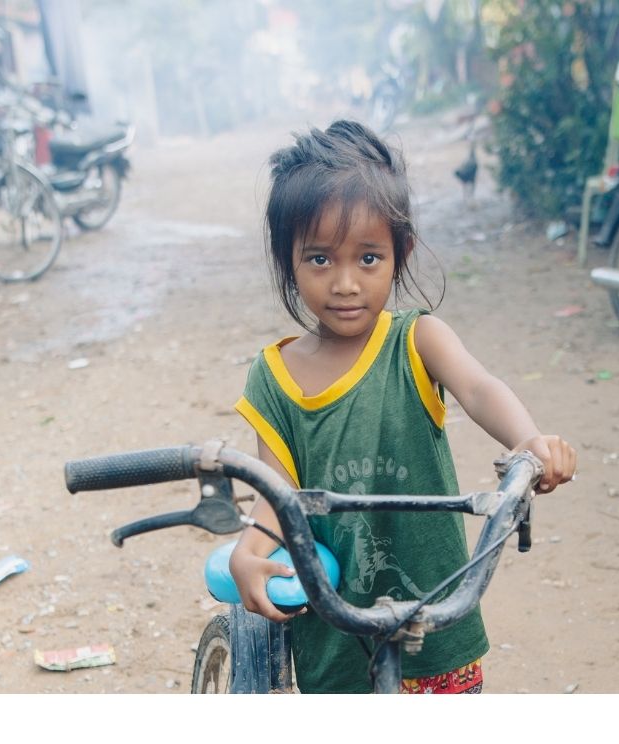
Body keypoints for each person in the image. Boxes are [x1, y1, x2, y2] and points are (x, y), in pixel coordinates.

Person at [228, 120, 577, 694]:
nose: (345, 283)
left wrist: (529, 441)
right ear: (288, 259)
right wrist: (249, 550)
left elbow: (480, 388)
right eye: (320, 259)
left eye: (368, 258)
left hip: (434, 627)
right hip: (334, 636)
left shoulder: (417, 341)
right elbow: (276, 491)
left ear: (399, 254)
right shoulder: (273, 376)